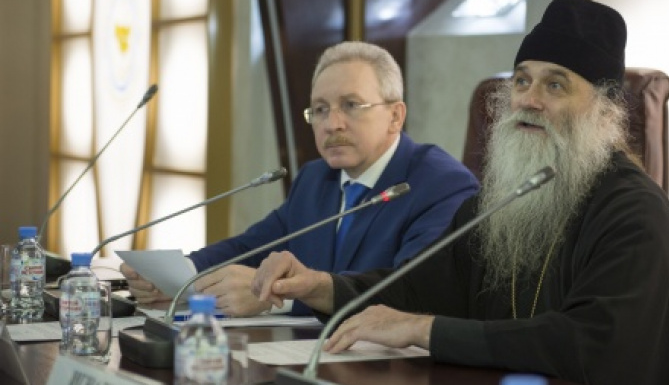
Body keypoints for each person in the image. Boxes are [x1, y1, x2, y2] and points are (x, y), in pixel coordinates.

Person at [251, 0, 669, 385]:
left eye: (555, 85)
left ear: (605, 110)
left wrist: (425, 330)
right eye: (521, 80)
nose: (529, 99)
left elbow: (593, 344)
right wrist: (323, 287)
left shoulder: (633, 213)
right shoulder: (501, 205)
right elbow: (418, 286)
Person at [120, 41, 479, 316]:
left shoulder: (440, 184)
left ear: (395, 116)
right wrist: (178, 277)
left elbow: (411, 295)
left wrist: (278, 298)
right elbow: (253, 247)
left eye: (351, 105)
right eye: (320, 109)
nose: (332, 123)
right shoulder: (316, 178)